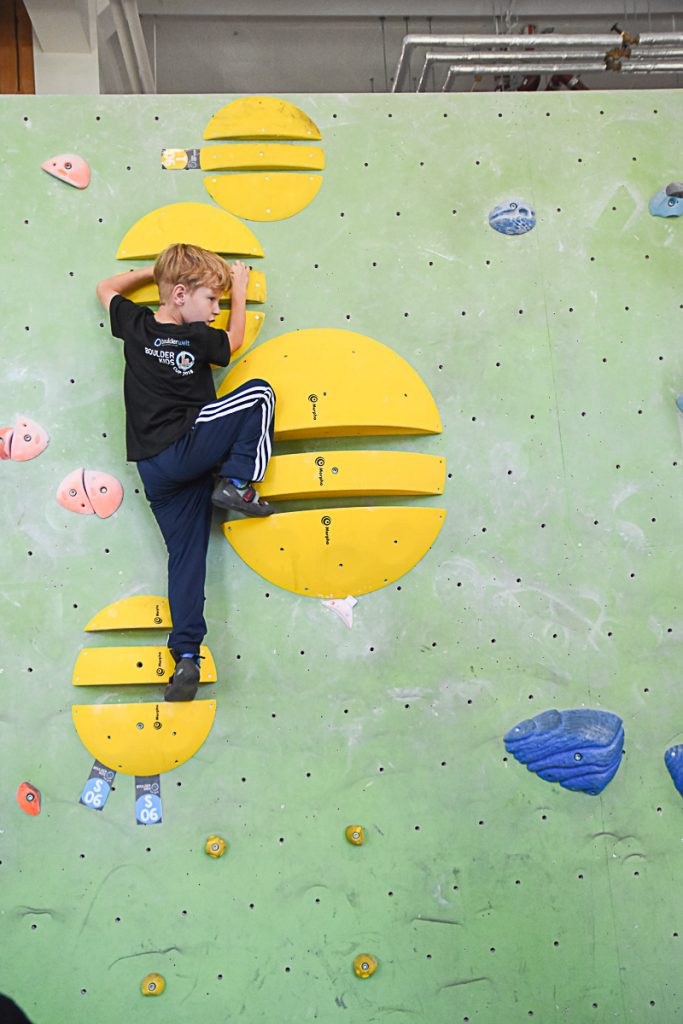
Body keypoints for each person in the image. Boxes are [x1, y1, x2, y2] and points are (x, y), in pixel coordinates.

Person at [96, 243, 276, 701]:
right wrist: (239, 291)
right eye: (211, 299)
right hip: (186, 444)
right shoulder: (198, 337)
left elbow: (105, 288)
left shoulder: (135, 324)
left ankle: (186, 658)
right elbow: (234, 341)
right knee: (259, 395)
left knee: (187, 560)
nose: (215, 310)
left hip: (157, 470)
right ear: (179, 294)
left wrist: (152, 272)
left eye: (220, 301)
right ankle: (238, 483)